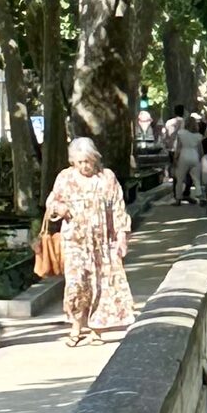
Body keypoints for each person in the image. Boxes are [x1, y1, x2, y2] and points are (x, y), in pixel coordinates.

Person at [44, 137, 136, 345]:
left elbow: (118, 207)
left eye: (88, 161)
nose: (84, 166)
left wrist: (122, 235)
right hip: (75, 242)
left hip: (102, 243)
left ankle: (96, 329)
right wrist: (59, 208)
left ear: (95, 159)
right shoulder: (65, 178)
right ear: (73, 162)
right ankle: (76, 327)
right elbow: (52, 201)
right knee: (77, 283)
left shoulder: (106, 178)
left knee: (100, 284)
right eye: (79, 162)